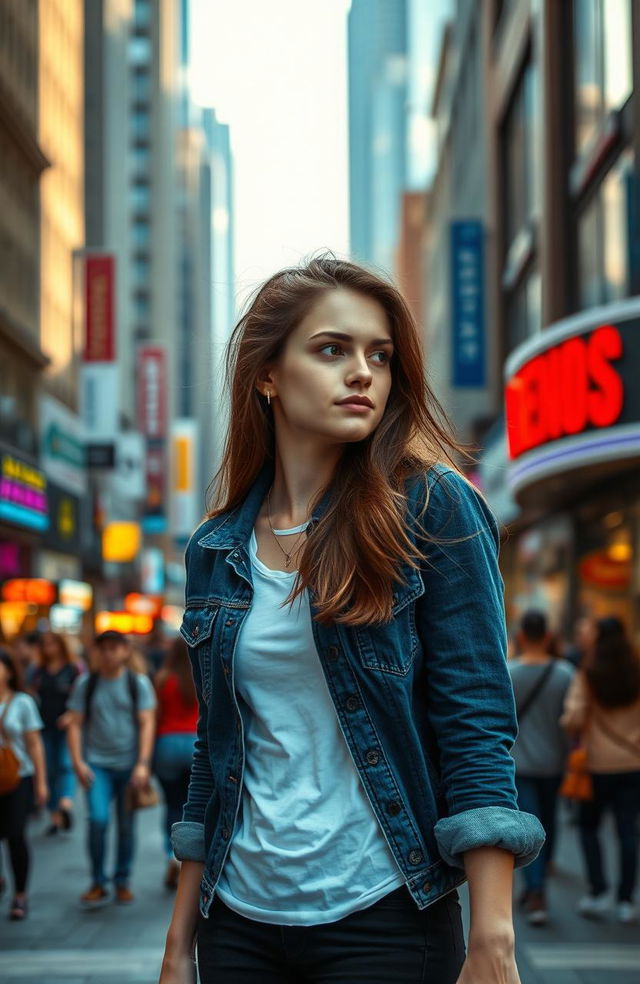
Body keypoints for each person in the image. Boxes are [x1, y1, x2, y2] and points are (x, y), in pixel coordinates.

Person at [159, 255, 545, 984]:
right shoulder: (215, 547)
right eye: (332, 349)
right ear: (267, 375)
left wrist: (493, 934)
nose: (363, 371)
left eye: (380, 355)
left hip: (385, 916)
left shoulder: (432, 509)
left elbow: (476, 722)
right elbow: (217, 750)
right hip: (237, 921)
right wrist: (180, 943)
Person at [66, 630, 156, 908]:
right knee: (99, 820)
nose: (109, 654)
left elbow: (146, 723)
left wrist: (142, 764)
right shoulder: (87, 683)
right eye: (103, 648)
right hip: (97, 765)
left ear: (125, 651)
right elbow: (75, 723)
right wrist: (78, 762)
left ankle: (122, 881)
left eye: (115, 648)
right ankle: (98, 881)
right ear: (96, 652)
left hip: (129, 766)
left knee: (126, 827)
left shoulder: (136, 683)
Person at [561, 615, 640, 924]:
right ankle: (625, 899)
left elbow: (573, 719)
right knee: (627, 831)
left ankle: (597, 891)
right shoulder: (636, 671)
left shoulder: (589, 673)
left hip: (596, 765)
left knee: (589, 828)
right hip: (633, 763)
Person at [508, 610, 574, 925]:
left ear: (521, 636)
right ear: (548, 635)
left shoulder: (509, 672)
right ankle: (540, 879)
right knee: (550, 821)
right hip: (555, 762)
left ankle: (536, 893)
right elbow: (570, 723)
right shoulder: (565, 674)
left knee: (530, 824)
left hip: (520, 763)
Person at [0, 649, 48, 920]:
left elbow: (34, 744)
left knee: (16, 835)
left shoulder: (22, 702)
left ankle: (20, 896)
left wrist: (41, 783)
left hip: (19, 778)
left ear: (8, 670)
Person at [154, 637, 198, 891]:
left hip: (166, 746)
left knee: (171, 804)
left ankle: (170, 854)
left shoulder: (163, 678)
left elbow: (156, 716)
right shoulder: (198, 677)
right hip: (194, 745)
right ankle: (187, 858)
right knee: (191, 805)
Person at [30, 631, 81, 834]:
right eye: (45, 644)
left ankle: (65, 803)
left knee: (65, 764)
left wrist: (71, 715)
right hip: (44, 726)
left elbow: (81, 697)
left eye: (53, 644)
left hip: (67, 727)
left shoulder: (73, 669)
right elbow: (30, 694)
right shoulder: (38, 671)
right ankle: (55, 816)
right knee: (48, 769)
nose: (49, 648)